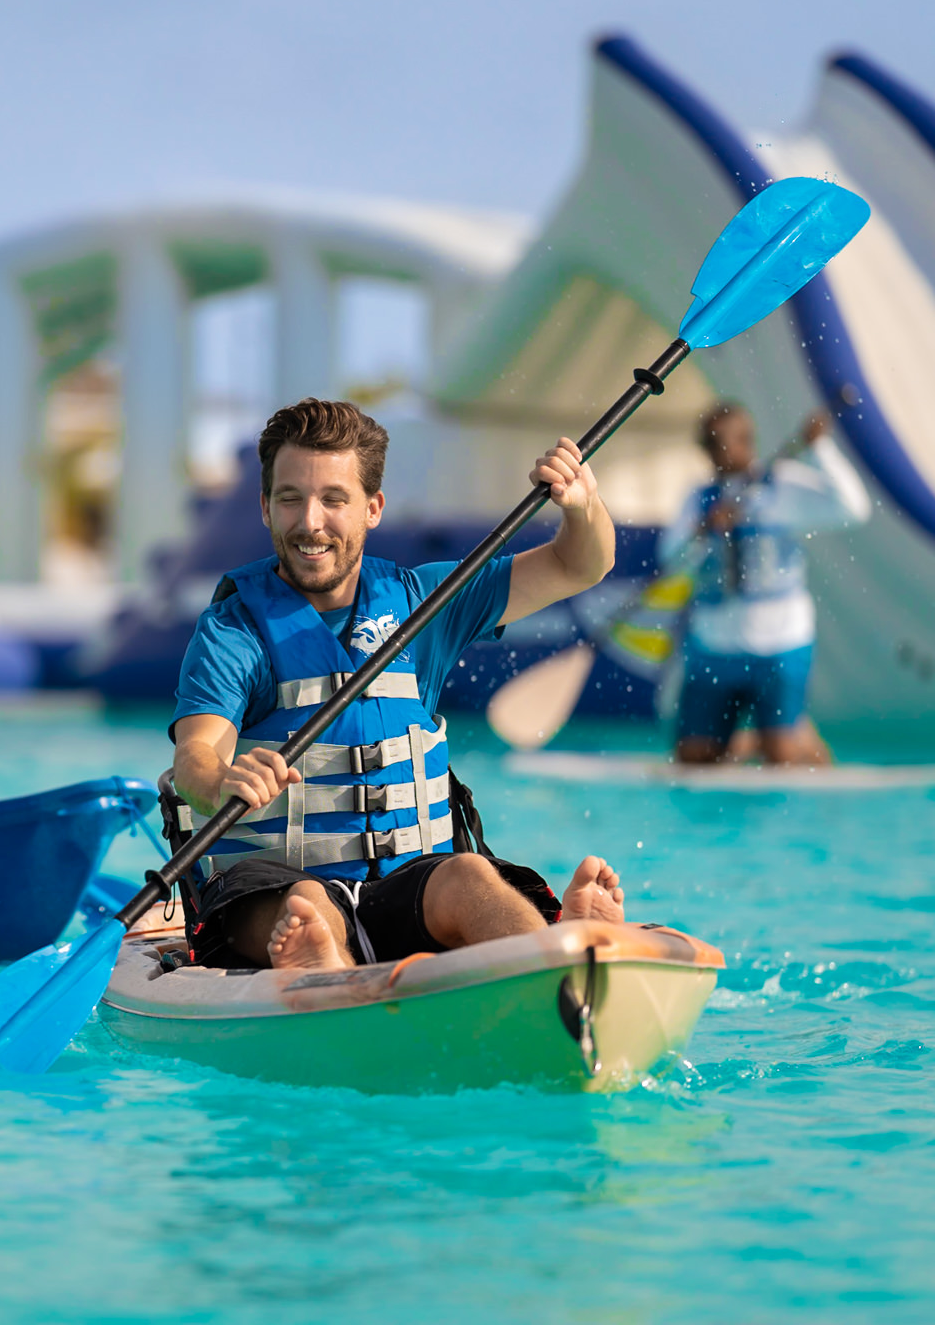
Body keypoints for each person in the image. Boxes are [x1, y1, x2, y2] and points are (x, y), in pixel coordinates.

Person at [169, 398, 627, 973]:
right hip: (275, 890)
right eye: (291, 499)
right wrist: (222, 780)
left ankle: (557, 959)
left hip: (408, 887)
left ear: (373, 508)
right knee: (308, 905)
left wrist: (582, 508)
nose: (310, 521)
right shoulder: (232, 631)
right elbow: (195, 758)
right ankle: (325, 972)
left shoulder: (426, 602)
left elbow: (579, 565)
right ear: (265, 507)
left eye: (334, 500)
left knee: (468, 875)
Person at [662, 404, 870, 766]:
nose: (712, 453)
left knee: (784, 760)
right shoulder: (698, 498)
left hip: (780, 644)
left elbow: (853, 509)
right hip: (713, 647)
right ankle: (755, 738)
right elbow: (670, 561)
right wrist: (702, 531)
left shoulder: (783, 484)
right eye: (707, 444)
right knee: (694, 760)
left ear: (745, 442)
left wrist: (821, 451)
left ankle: (788, 737)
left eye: (719, 443)